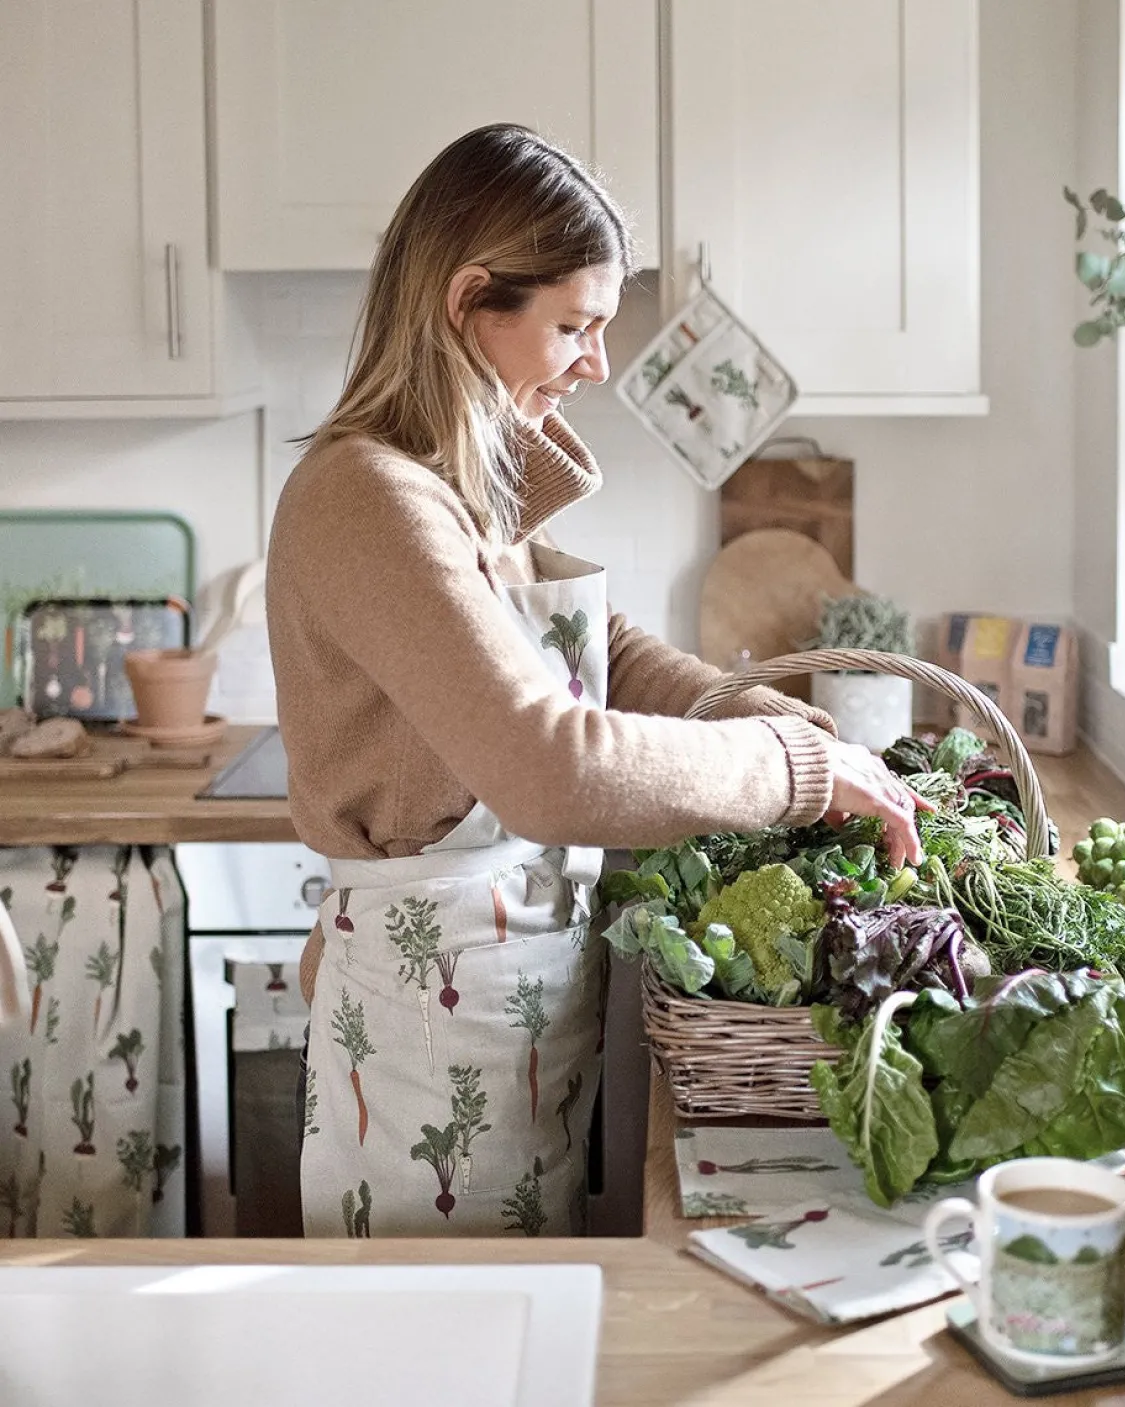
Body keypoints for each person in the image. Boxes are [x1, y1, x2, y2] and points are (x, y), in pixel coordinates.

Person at [266, 124, 925, 1238]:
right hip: (437, 1028)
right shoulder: (368, 498)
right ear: (473, 300)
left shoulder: (454, 486)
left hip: (500, 995)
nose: (598, 365)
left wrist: (784, 722)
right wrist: (795, 769)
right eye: (573, 325)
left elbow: (606, 656)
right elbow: (549, 765)